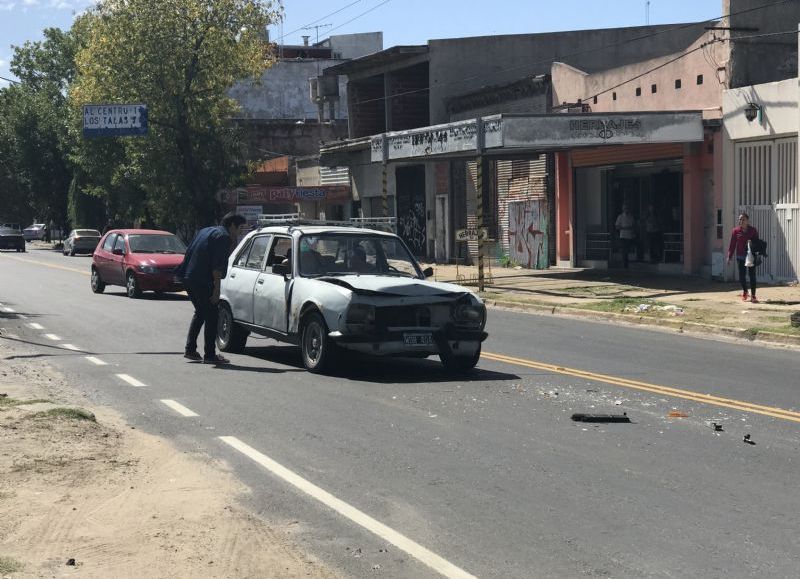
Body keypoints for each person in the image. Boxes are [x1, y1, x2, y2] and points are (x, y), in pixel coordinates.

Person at [175, 212, 248, 363]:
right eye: (240, 228)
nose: (241, 232)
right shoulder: (224, 238)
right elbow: (217, 268)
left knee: (201, 312)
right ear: (232, 225)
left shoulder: (206, 230)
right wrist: (217, 291)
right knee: (212, 315)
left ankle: (190, 350)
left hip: (187, 276)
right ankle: (209, 355)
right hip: (201, 279)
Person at [726, 213, 759, 303]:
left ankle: (753, 296)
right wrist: (729, 256)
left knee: (752, 276)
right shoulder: (735, 231)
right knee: (741, 277)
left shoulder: (753, 230)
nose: (741, 221)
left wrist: (751, 242)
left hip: (751, 256)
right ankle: (745, 291)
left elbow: (757, 242)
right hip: (740, 256)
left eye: (743, 219)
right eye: (740, 219)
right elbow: (732, 244)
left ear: (747, 221)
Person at [614, 204, 636, 268]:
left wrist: (631, 230)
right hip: (623, 236)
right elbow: (617, 226)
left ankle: (630, 261)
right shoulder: (620, 217)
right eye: (625, 208)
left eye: (627, 208)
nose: (626, 209)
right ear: (623, 209)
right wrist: (624, 228)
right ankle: (625, 264)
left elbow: (633, 226)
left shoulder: (631, 217)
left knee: (628, 250)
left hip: (630, 236)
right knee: (624, 250)